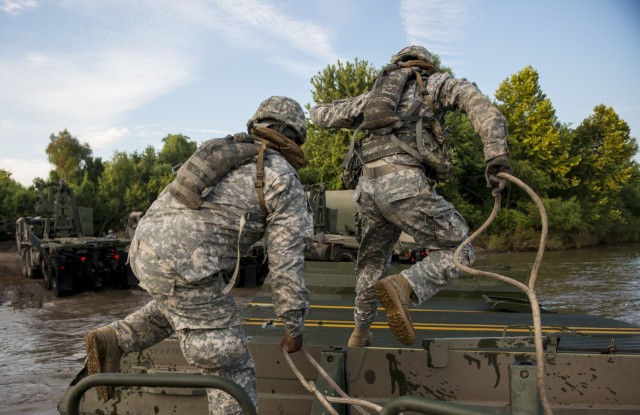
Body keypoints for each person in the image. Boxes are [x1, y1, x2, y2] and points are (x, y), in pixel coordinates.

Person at [84, 96, 314, 414]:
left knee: (183, 303)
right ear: (293, 137)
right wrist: (294, 328)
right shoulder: (282, 178)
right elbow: (286, 264)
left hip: (142, 250)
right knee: (233, 368)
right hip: (184, 264)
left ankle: (115, 339)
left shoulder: (228, 155)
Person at [310, 46, 511, 347]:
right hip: (404, 184)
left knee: (371, 265)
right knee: (461, 249)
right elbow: (482, 108)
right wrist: (495, 156)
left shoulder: (375, 99)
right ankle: (405, 285)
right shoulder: (435, 84)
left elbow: (321, 115)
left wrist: (357, 103)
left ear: (396, 66)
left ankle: (359, 333)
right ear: (427, 66)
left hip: (366, 189)